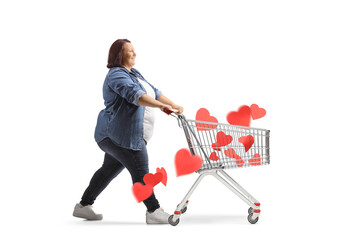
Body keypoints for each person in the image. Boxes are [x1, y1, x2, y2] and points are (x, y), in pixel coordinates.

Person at [73, 39, 184, 224]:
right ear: (119, 55)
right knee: (140, 171)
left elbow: (154, 92)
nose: (135, 53)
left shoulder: (134, 73)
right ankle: (153, 210)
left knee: (108, 170)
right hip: (120, 136)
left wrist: (171, 104)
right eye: (130, 51)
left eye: (134, 50)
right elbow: (136, 95)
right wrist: (161, 106)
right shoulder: (116, 75)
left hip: (122, 135)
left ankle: (83, 206)